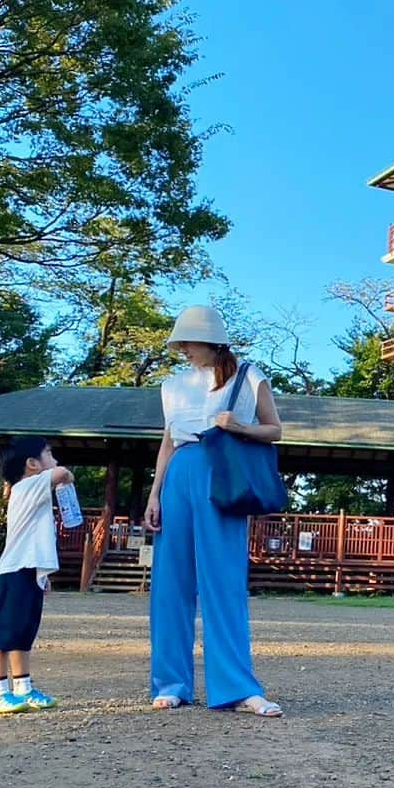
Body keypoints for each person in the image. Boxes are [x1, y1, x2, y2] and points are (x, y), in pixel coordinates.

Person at [144, 305, 284, 717]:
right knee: (170, 582)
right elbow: (167, 444)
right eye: (180, 341)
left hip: (221, 472)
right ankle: (171, 683)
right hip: (179, 473)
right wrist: (154, 495)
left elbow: (275, 429)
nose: (182, 348)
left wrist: (239, 427)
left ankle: (238, 688)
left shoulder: (248, 376)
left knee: (223, 580)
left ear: (209, 340)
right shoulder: (171, 385)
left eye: (188, 340)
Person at [0, 436, 74, 715]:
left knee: (23, 634)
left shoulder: (29, 488)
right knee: (3, 636)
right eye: (49, 454)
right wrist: (65, 476)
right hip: (14, 572)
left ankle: (23, 688)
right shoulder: (29, 485)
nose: (55, 460)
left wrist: (42, 576)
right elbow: (63, 473)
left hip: (29, 571)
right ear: (32, 464)